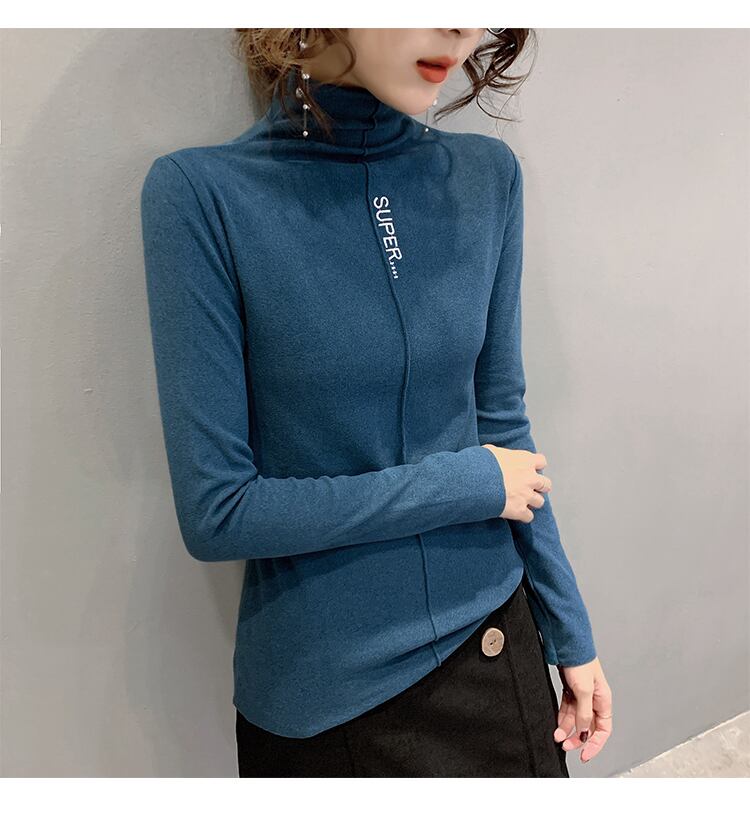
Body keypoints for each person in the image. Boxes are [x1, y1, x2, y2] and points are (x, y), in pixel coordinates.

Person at [140, 27, 613, 777]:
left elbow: (504, 426)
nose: (461, 27)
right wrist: (461, 485)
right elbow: (220, 512)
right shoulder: (203, 196)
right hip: (331, 700)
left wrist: (570, 631)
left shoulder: (486, 177)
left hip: (499, 646)